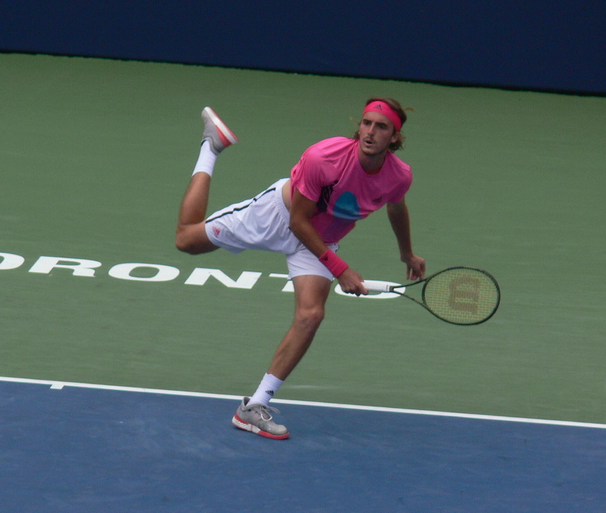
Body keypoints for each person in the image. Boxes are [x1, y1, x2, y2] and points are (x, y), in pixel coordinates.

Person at [175, 99, 426, 440]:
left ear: (394, 137)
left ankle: (253, 407)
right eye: (366, 123)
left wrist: (407, 253)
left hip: (320, 242)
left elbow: (397, 208)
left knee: (311, 314)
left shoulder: (399, 175)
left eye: (381, 127)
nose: (370, 132)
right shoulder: (325, 157)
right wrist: (341, 270)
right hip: (276, 217)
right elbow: (298, 222)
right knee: (186, 239)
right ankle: (211, 147)